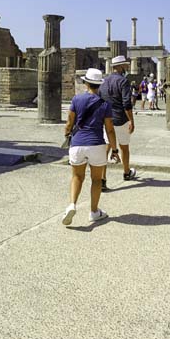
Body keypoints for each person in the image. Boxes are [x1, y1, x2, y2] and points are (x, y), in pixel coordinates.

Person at [62, 68, 117, 226]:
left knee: (77, 177)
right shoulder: (104, 104)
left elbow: (69, 123)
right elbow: (110, 129)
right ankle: (94, 212)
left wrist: (67, 134)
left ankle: (72, 204)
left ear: (86, 83)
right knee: (96, 179)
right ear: (99, 85)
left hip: (77, 144)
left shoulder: (76, 100)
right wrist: (114, 149)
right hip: (96, 145)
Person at [100, 56, 137, 191]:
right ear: (121, 66)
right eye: (125, 66)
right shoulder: (123, 81)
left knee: (107, 147)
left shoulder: (104, 81)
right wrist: (131, 121)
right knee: (124, 147)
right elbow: (126, 104)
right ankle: (126, 172)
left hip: (107, 119)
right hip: (120, 119)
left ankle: (102, 179)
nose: (127, 67)